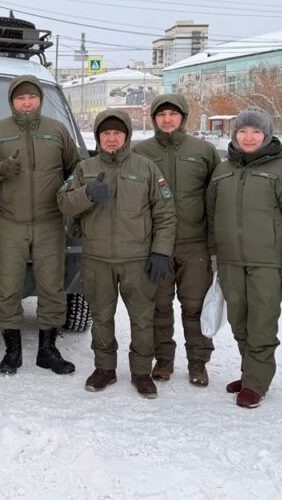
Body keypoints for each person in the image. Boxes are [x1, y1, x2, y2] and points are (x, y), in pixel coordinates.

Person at [57, 110, 176, 398]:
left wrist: (161, 252)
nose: (111, 138)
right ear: (98, 137)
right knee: (101, 317)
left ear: (127, 136)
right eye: (106, 133)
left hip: (137, 259)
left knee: (142, 319)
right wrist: (87, 194)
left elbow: (165, 212)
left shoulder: (146, 168)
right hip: (97, 259)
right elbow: (62, 201)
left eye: (117, 133)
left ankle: (141, 372)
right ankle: (104, 369)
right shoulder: (85, 168)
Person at [0, 75, 81, 375]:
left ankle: (48, 350)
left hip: (50, 222)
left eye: (32, 97)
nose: (27, 103)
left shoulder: (57, 131)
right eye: (21, 98)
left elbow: (77, 168)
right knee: (8, 287)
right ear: (12, 101)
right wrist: (0, 168)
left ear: (40, 99)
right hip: (11, 222)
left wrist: (67, 191)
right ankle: (12, 351)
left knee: (52, 287)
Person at [206, 107, 282, 409]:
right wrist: (214, 254)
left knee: (261, 325)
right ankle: (250, 372)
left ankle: (256, 383)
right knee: (239, 323)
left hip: (267, 264)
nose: (248, 137)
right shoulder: (222, 171)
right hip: (230, 262)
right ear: (234, 135)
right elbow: (211, 217)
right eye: (243, 131)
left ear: (267, 135)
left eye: (255, 132)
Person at [132, 93, 221, 386]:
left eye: (173, 114)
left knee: (195, 307)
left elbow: (216, 197)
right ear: (153, 118)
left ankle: (198, 363)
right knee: (159, 306)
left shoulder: (203, 151)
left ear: (183, 117)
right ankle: (163, 360)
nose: (167, 119)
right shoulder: (141, 152)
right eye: (161, 114)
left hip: (194, 243)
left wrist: (214, 244)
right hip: (155, 245)